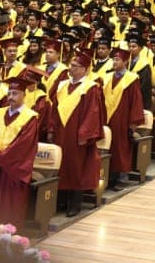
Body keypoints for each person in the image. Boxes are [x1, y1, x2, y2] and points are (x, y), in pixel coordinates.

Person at [48, 50, 105, 217]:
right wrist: (51, 128)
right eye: (71, 65)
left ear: (84, 69)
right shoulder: (62, 85)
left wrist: (84, 134)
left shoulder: (90, 88)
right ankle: (61, 200)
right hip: (61, 133)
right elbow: (55, 110)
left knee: (77, 168)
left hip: (77, 137)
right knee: (61, 166)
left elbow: (92, 113)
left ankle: (75, 203)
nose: (70, 68)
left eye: (74, 66)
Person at [0, 76, 40, 226]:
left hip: (14, 169)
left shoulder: (30, 118)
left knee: (10, 206)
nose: (11, 97)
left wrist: (2, 157)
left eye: (15, 94)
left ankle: (9, 235)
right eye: (9, 93)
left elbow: (24, 144)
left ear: (24, 95)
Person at [102, 48, 145, 191]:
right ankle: (107, 176)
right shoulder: (107, 77)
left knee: (121, 148)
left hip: (123, 119)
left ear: (125, 61)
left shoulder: (132, 79)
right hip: (107, 118)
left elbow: (136, 101)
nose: (114, 62)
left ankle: (122, 177)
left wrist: (133, 123)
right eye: (113, 59)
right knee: (108, 147)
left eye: (117, 59)